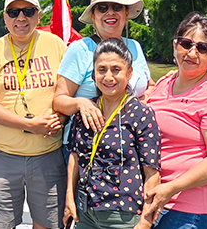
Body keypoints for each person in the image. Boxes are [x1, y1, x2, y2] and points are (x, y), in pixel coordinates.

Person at [0, 0, 68, 229]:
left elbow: (70, 91)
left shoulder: (56, 45)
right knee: (0, 225)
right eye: (14, 12)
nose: (21, 18)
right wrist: (30, 125)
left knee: (47, 225)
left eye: (28, 11)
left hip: (48, 155)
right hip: (4, 157)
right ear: (5, 18)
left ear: (39, 16)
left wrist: (63, 117)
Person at [145, 13, 207, 229]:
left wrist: (170, 188)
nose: (192, 52)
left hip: (189, 210)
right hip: (153, 197)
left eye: (202, 48)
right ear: (175, 46)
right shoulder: (164, 83)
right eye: (185, 44)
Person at [64, 38, 160, 229]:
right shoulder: (86, 110)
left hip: (123, 215)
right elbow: (75, 156)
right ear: (93, 73)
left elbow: (152, 172)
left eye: (116, 70)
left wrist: (145, 222)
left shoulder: (140, 114)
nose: (108, 77)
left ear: (129, 73)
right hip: (85, 212)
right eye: (102, 70)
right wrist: (69, 198)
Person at [54, 0, 151, 141]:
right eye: (103, 8)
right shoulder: (80, 49)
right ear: (93, 15)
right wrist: (81, 103)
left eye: (117, 7)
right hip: (88, 142)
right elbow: (59, 100)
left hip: (131, 142)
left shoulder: (135, 46)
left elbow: (149, 85)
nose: (110, 12)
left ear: (126, 13)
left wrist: (143, 100)